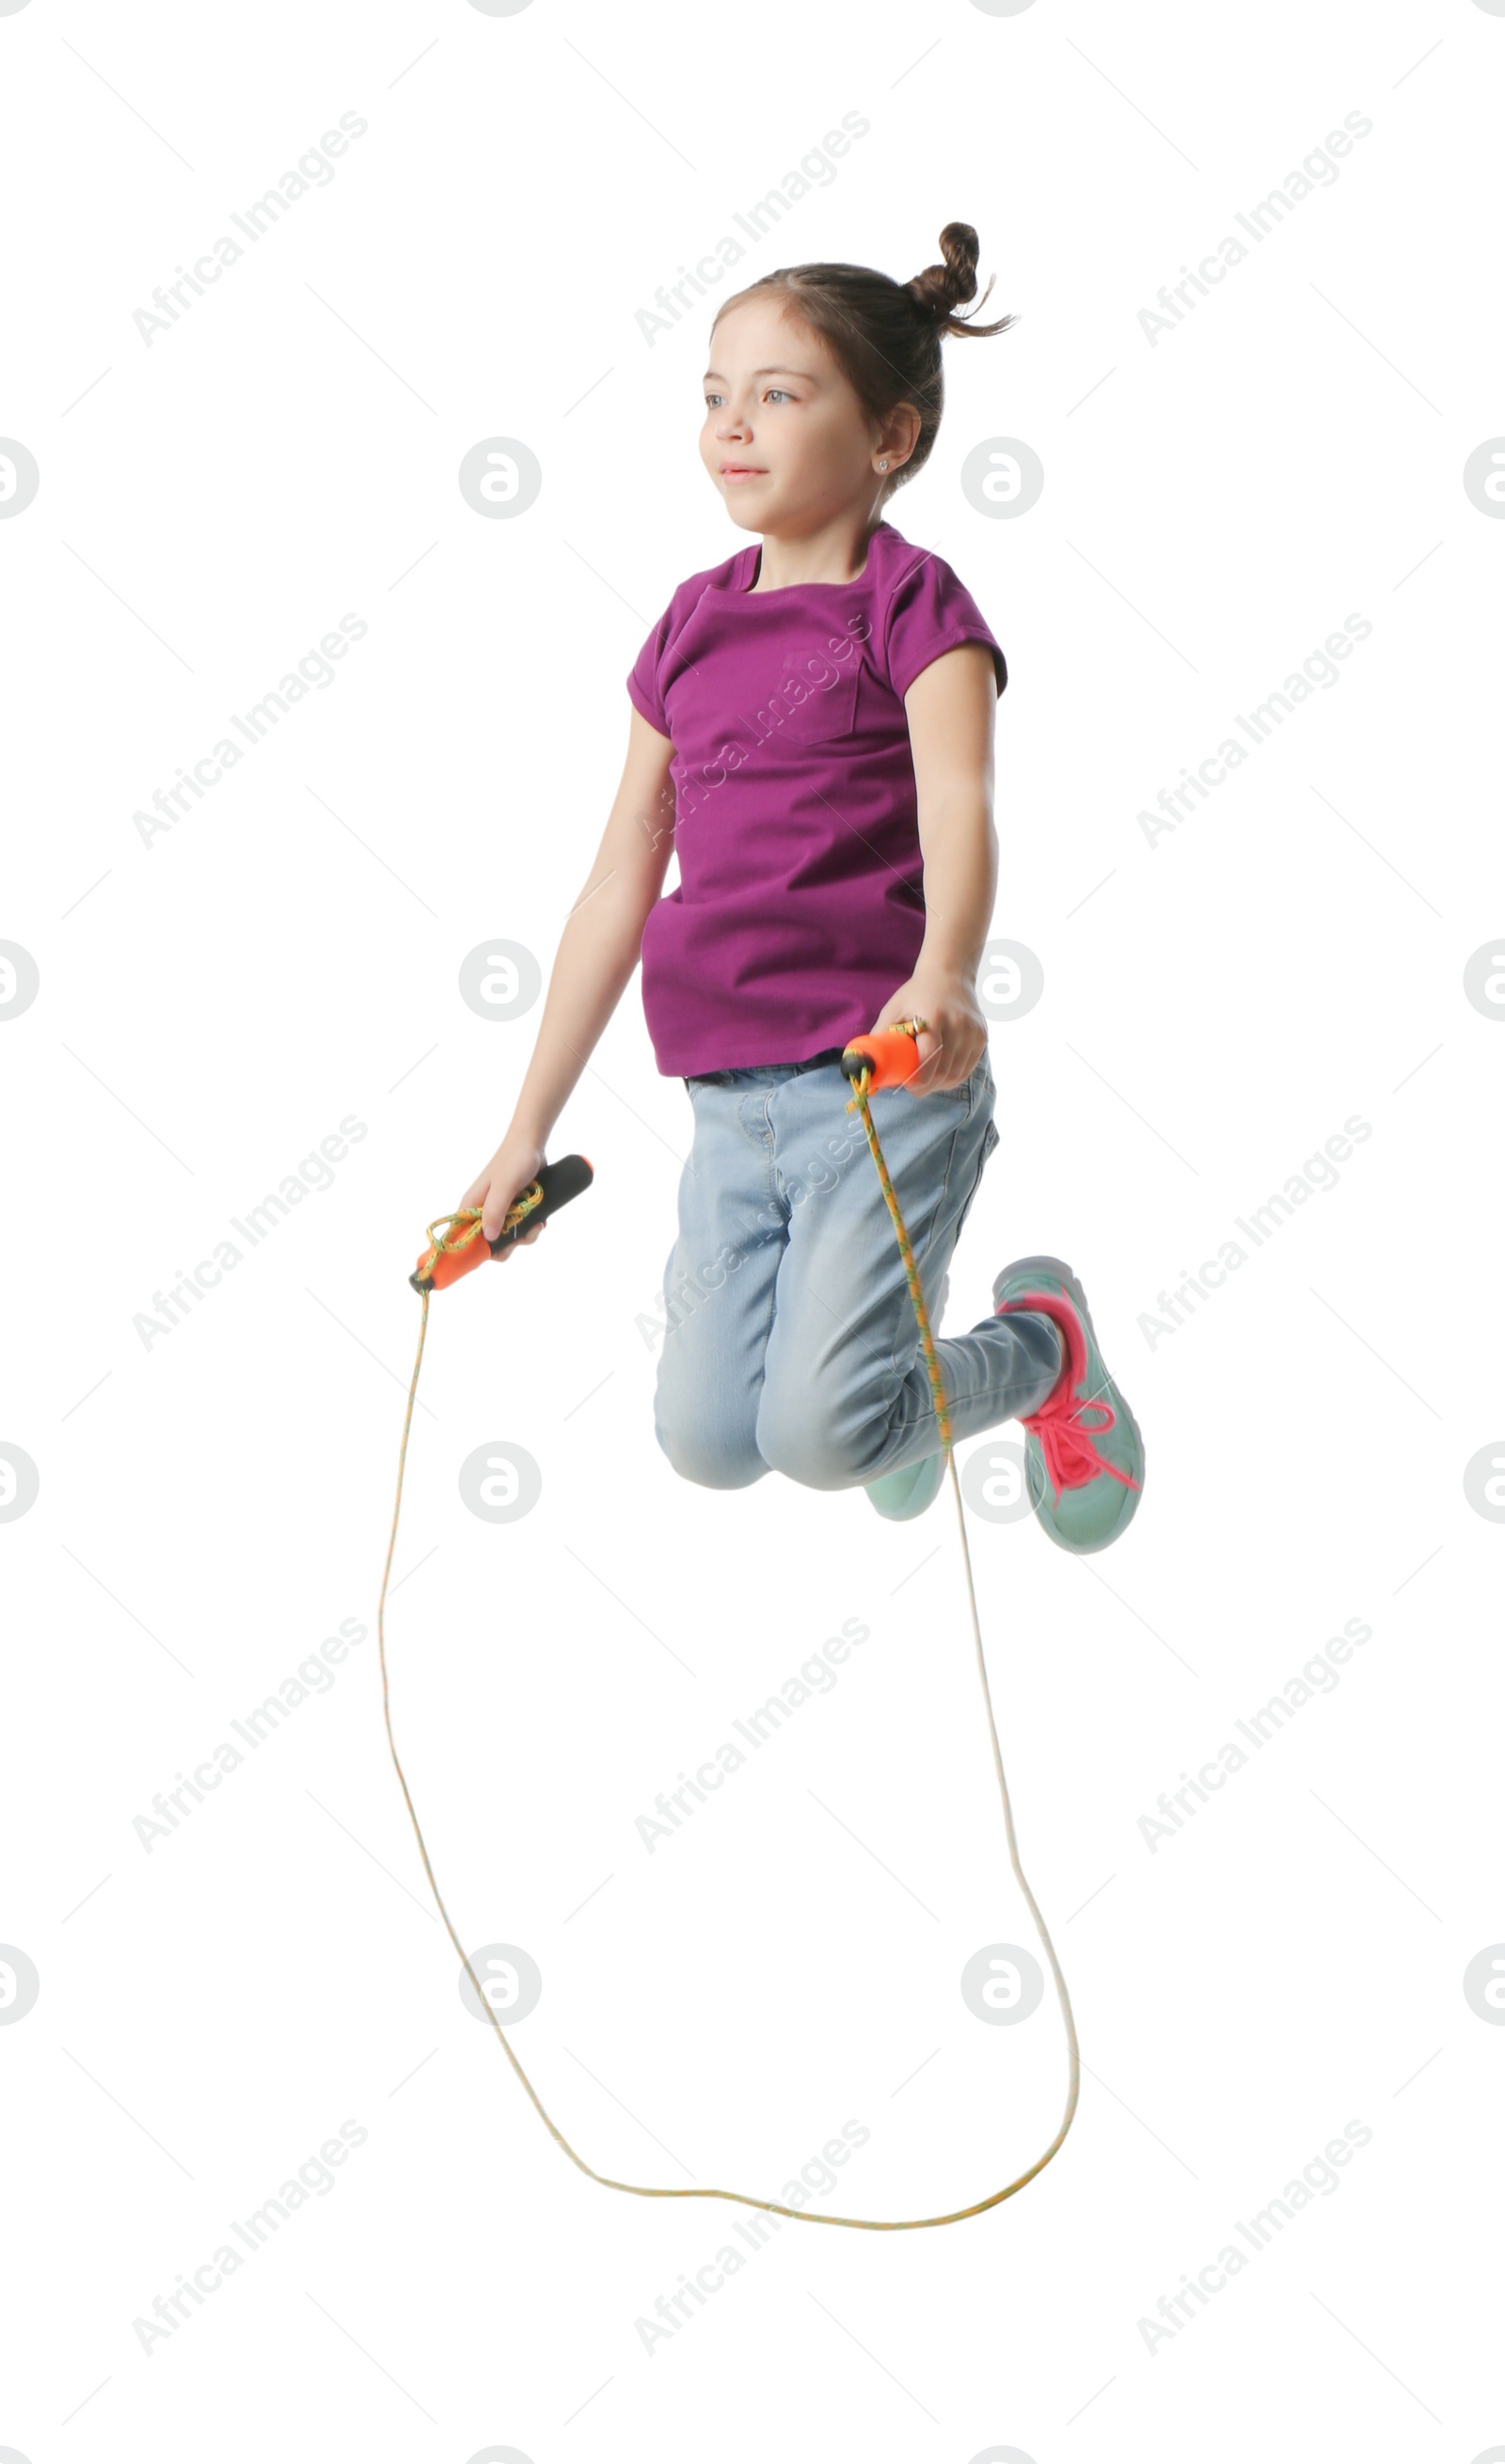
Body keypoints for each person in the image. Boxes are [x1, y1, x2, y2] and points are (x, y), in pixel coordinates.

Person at [460, 223, 1143, 1551]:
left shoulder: (913, 606)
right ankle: (891, 1391)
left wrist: (943, 970)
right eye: (715, 395)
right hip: (732, 1110)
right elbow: (618, 883)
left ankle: (1041, 1352)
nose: (733, 425)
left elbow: (959, 801)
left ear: (888, 437)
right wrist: (523, 1128)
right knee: (712, 1444)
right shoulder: (689, 625)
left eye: (780, 394)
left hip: (883, 1086)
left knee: (826, 1438)